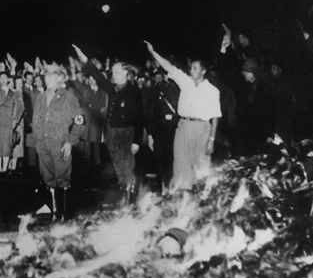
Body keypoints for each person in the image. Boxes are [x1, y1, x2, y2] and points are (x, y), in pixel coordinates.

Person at [146, 42, 221, 190]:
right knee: (180, 163)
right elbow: (169, 67)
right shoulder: (185, 82)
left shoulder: (212, 90)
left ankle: (200, 198)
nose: (191, 71)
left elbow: (215, 117)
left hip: (202, 129)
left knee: (201, 167)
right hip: (183, 127)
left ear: (203, 71)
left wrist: (211, 139)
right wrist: (153, 52)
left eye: (195, 68)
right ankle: (181, 196)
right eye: (191, 68)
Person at [75, 44, 144, 204]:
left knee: (127, 168)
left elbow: (140, 118)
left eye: (117, 71)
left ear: (126, 74)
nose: (113, 73)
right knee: (118, 168)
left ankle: (132, 202)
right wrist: (83, 57)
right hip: (111, 133)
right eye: (113, 71)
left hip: (126, 134)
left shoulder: (134, 92)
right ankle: (124, 199)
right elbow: (97, 74)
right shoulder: (112, 88)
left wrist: (136, 141)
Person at [32, 64, 86, 221]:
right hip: (43, 145)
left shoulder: (68, 98)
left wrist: (70, 142)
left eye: (51, 75)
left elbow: (80, 121)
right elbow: (36, 121)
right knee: (48, 178)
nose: (47, 78)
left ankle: (63, 215)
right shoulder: (40, 98)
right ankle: (54, 212)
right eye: (46, 75)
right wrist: (38, 142)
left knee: (62, 179)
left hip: (60, 144)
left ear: (59, 77)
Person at [145, 69, 180, 187]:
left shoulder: (176, 89)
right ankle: (162, 186)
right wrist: (149, 133)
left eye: (162, 76)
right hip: (159, 128)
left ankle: (170, 186)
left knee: (172, 158)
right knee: (159, 158)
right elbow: (149, 112)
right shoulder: (154, 90)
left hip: (173, 127)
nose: (160, 79)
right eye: (157, 77)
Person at [0, 71, 24, 175]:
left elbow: (21, 107)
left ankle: (4, 170)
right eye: (1, 78)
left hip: (8, 123)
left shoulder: (13, 93)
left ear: (8, 79)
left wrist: (16, 120)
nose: (4, 79)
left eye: (5, 77)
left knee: (7, 147)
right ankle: (0, 170)